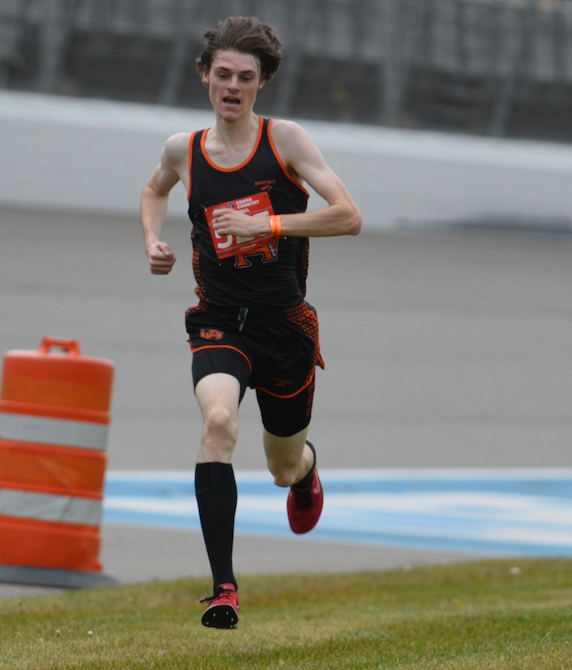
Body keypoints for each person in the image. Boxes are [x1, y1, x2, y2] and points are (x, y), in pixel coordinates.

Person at [139, 16, 362, 629]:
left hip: (285, 328)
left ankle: (306, 473)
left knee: (280, 465)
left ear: (261, 84)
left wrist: (270, 225)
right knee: (217, 421)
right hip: (218, 323)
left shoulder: (285, 141)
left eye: (245, 77)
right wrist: (153, 240)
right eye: (223, 74)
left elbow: (348, 216)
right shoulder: (181, 150)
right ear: (205, 76)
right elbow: (154, 189)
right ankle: (224, 589)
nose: (231, 86)